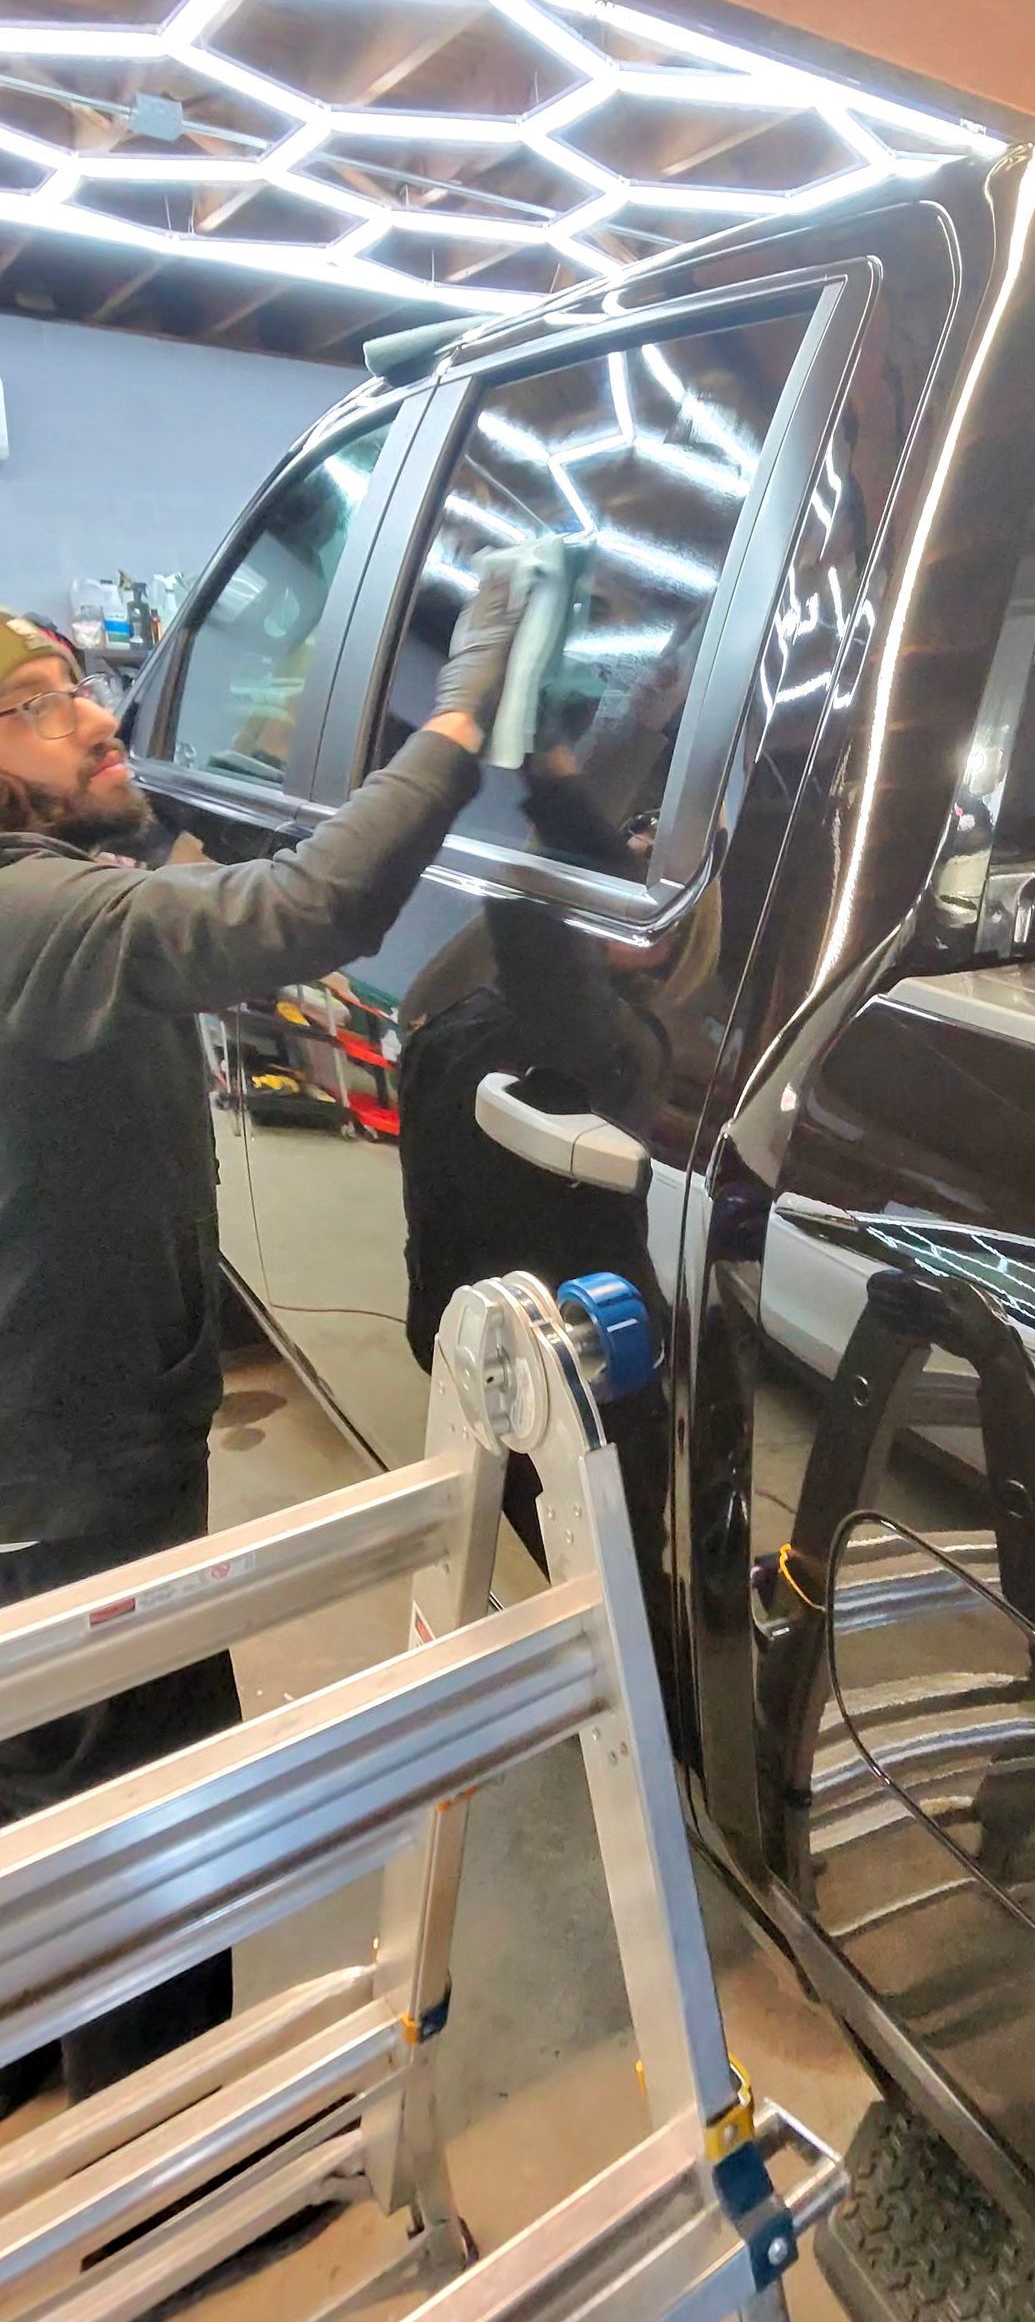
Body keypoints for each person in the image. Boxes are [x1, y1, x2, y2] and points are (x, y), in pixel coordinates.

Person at [0, 572, 528, 2103]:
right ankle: (167, 2163)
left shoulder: (53, 880)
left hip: (50, 1421)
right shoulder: (32, 912)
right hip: (61, 1462)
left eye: (82, 682)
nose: (101, 716)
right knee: (143, 1786)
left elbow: (193, 851)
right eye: (39, 708)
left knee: (35, 1771)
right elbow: (302, 912)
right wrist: (456, 722)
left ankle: (30, 2039)